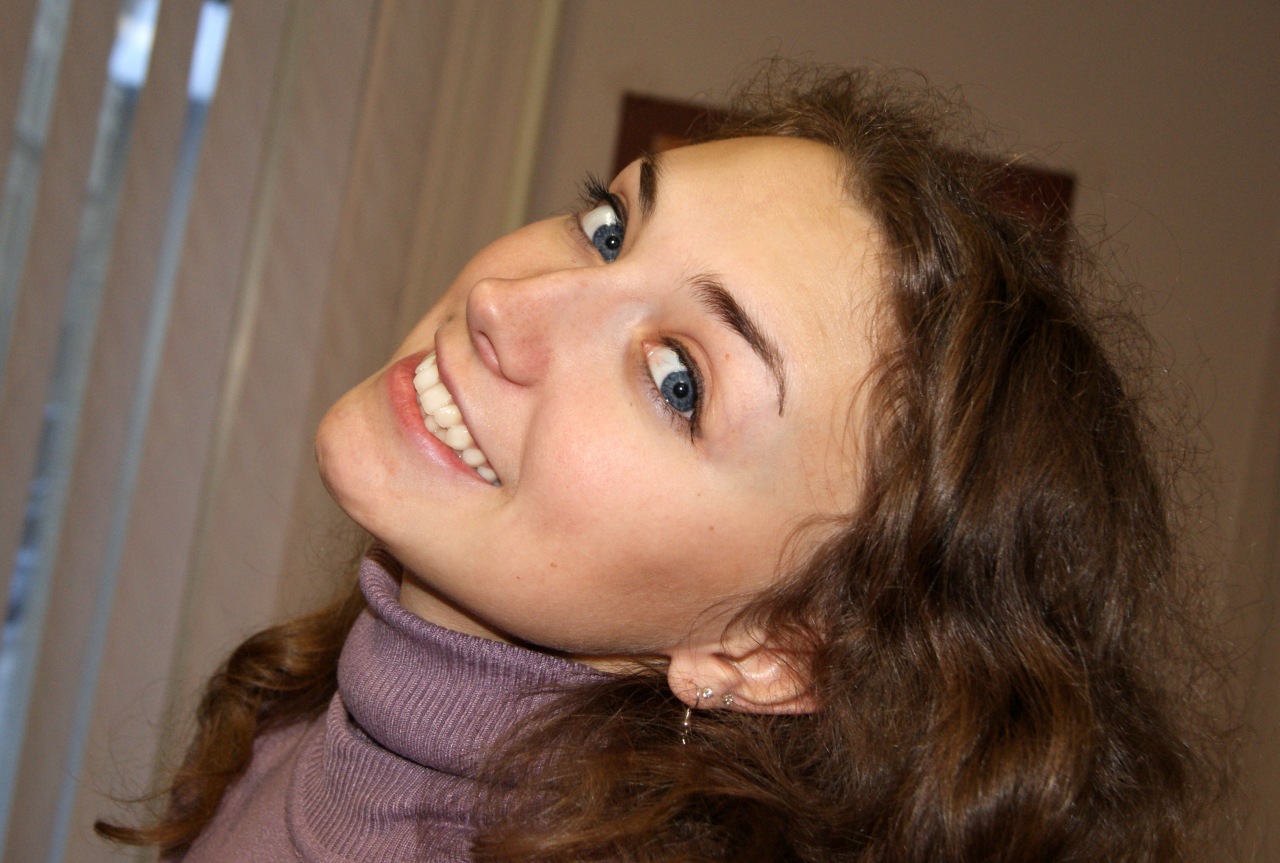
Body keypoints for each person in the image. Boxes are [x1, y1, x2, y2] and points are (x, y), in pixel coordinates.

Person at [98, 65, 1229, 862]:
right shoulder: (293, 727)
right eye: (608, 229)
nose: (504, 302)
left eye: (678, 379)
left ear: (770, 650)